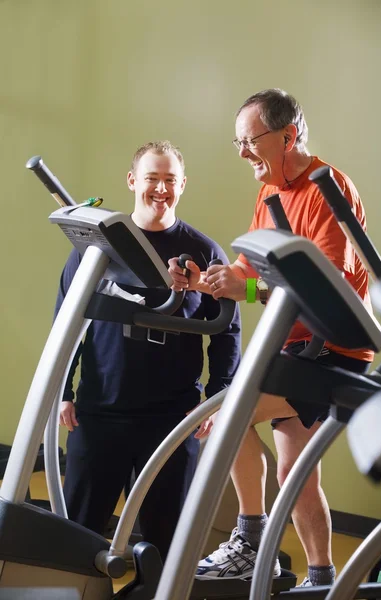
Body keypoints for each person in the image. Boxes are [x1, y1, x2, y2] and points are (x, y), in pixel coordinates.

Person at [168, 89, 373, 586]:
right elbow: (248, 269)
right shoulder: (271, 188)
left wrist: (251, 286)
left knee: (227, 418)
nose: (242, 154)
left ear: (288, 135)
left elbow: (329, 284)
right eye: (236, 143)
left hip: (336, 349)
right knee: (294, 475)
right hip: (299, 347)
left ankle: (250, 537)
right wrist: (204, 279)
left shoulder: (329, 187)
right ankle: (322, 576)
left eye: (249, 141)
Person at [56, 140, 241, 562]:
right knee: (76, 534)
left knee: (165, 541)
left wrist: (216, 399)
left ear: (183, 185)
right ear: (132, 181)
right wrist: (64, 389)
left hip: (171, 418)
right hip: (100, 410)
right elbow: (66, 318)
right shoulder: (96, 247)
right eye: (152, 179)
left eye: (170, 181)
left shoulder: (204, 251)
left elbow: (228, 329)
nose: (161, 189)